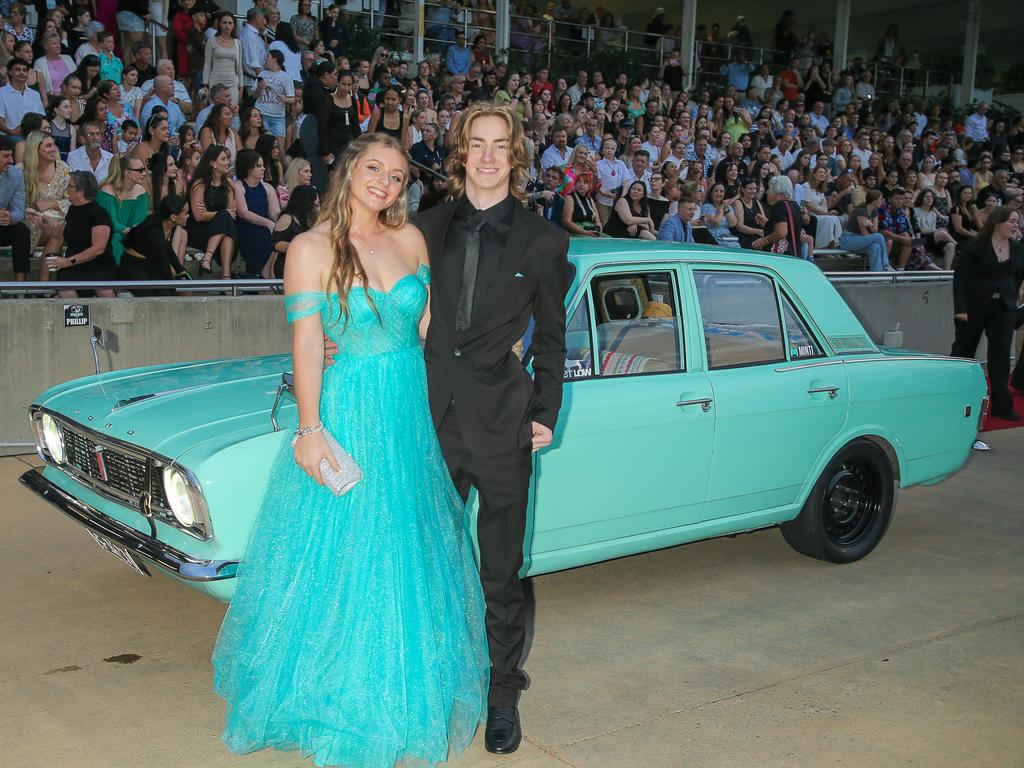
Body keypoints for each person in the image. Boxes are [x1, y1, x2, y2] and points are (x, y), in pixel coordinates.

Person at [212, 132, 489, 766]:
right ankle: (337, 693)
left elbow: (428, 329)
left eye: (396, 176)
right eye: (375, 169)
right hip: (348, 411)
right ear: (348, 172)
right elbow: (308, 345)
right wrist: (310, 432)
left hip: (408, 412)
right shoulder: (310, 247)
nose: (386, 184)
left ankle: (400, 686)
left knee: (405, 549)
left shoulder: (412, 239)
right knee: (342, 553)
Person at [383, 102, 569, 755]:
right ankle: (437, 684)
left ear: (514, 156)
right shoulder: (421, 228)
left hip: (504, 423)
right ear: (460, 152)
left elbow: (552, 334)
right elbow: (386, 301)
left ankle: (501, 696)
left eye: (499, 145)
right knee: (429, 564)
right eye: (477, 144)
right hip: (430, 418)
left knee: (500, 570)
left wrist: (546, 410)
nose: (488, 156)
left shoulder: (544, 240)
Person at [951, 207, 1023, 420]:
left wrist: (1010, 297)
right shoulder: (975, 246)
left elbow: (1017, 276)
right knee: (963, 353)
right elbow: (960, 279)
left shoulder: (1018, 249)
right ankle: (953, 397)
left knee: (1000, 358)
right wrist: (960, 309)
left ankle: (1002, 406)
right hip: (973, 308)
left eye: (1016, 221)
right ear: (997, 222)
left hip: (1004, 309)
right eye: (1011, 221)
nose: (1015, 225)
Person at [28, 170, 115, 297]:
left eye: (70, 186)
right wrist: (42, 224)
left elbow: (98, 249)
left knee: (104, 291)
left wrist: (68, 261)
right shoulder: (73, 210)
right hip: (73, 264)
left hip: (96, 264)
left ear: (81, 192)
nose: (66, 189)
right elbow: (65, 235)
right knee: (65, 292)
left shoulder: (99, 214)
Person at [20, 129, 69, 270]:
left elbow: (73, 199)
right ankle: (45, 287)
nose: (54, 149)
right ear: (35, 148)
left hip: (59, 220)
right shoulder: (21, 171)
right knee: (56, 231)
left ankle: (44, 286)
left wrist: (52, 204)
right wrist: (35, 212)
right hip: (32, 222)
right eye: (48, 146)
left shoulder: (62, 168)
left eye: (54, 145)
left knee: (57, 230)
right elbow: (17, 204)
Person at [187, 144, 237, 278]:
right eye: (224, 159)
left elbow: (233, 212)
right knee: (224, 217)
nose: (228, 162)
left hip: (222, 229)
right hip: (200, 230)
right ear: (213, 163)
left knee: (226, 224)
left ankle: (216, 266)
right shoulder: (200, 184)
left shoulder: (228, 184)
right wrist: (221, 214)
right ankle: (225, 274)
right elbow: (198, 216)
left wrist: (214, 214)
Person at [120, 193, 189, 282]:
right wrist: (174, 294)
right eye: (186, 213)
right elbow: (164, 268)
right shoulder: (155, 234)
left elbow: (168, 250)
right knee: (157, 293)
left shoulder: (166, 226)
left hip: (149, 265)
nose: (188, 216)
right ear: (173, 217)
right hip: (133, 267)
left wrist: (182, 273)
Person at [232, 148, 280, 275]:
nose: (263, 169)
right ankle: (262, 272)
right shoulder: (238, 186)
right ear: (248, 168)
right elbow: (243, 213)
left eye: (263, 165)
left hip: (265, 226)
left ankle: (269, 270)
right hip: (246, 227)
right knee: (262, 234)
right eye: (259, 166)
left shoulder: (268, 188)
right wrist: (268, 224)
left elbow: (275, 213)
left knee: (280, 234)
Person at [97, 154, 149, 267]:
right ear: (127, 173)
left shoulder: (141, 192)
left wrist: (135, 232)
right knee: (116, 238)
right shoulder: (106, 191)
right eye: (140, 170)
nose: (144, 174)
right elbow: (110, 221)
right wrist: (130, 232)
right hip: (110, 234)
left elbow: (141, 219)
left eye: (144, 170)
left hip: (133, 233)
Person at [299, 60, 338, 195]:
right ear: (326, 75)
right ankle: (315, 198)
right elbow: (322, 116)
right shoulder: (317, 90)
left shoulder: (318, 88)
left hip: (313, 126)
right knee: (317, 165)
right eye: (334, 74)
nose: (336, 78)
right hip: (313, 128)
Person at [266, 182, 317, 278]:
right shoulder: (287, 218)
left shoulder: (306, 219)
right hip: (287, 265)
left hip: (302, 264)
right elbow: (275, 243)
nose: (315, 205)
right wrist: (297, 247)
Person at [752, 175, 810, 258]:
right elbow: (789, 227)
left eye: (769, 188)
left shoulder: (780, 206)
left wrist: (763, 241)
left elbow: (781, 233)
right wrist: (767, 223)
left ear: (777, 190)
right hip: (794, 253)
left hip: (780, 257)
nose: (767, 192)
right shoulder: (794, 205)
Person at [0, 134, 31, 280]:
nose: (11, 161)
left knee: (21, 230)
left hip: (2, 226)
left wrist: (9, 217)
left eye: (11, 156)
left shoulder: (16, 174)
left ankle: (20, 287)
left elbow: (20, 210)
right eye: (6, 156)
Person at [840, 189, 891, 271]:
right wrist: (871, 237)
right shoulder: (861, 211)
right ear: (874, 201)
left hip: (861, 239)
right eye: (881, 199)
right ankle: (885, 263)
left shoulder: (875, 211)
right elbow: (865, 233)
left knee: (876, 246)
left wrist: (870, 225)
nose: (882, 201)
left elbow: (874, 230)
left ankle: (877, 275)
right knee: (879, 236)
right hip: (849, 240)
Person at [203, 12, 243, 106]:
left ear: (233, 26)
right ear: (219, 24)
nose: (227, 25)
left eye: (230, 23)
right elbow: (207, 64)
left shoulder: (238, 43)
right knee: (215, 111)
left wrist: (241, 87)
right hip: (215, 82)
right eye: (224, 22)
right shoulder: (212, 41)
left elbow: (239, 67)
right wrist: (205, 84)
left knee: (232, 111)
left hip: (232, 83)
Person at [0, 58, 44, 138]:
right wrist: (10, 132)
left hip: (33, 136)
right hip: (9, 136)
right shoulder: (1, 93)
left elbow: (41, 117)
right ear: (10, 72)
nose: (22, 73)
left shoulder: (35, 94)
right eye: (17, 70)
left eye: (24, 70)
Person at [732, 177, 767, 249]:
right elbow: (739, 226)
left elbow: (763, 221)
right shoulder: (738, 203)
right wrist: (758, 231)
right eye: (750, 189)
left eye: (754, 189)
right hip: (745, 237)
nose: (752, 191)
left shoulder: (757, 202)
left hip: (759, 236)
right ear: (743, 190)